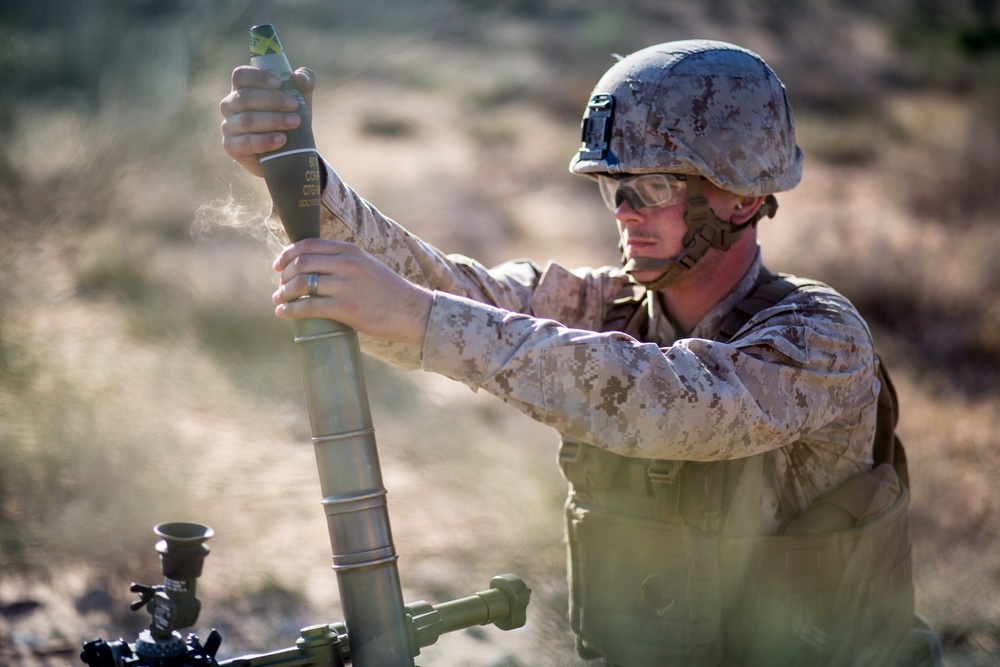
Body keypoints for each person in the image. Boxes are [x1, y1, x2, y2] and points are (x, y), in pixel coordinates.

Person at [221, 39, 942, 666]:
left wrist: (419, 316)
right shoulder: (608, 307)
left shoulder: (820, 337)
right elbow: (443, 289)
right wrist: (296, 173)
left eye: (653, 186)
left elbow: (674, 404)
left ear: (743, 198)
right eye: (614, 187)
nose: (625, 211)